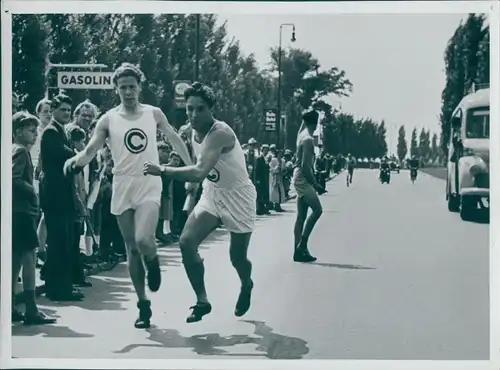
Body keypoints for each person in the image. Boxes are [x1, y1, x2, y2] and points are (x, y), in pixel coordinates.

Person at [63, 63, 192, 329]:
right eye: (123, 87)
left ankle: (153, 261)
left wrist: (191, 166)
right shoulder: (109, 119)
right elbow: (91, 148)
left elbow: (174, 138)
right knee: (131, 247)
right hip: (122, 185)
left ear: (139, 87)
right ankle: (143, 304)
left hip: (148, 182)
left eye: (132, 87)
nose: (128, 92)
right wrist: (76, 160)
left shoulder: (153, 113)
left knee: (145, 238)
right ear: (116, 89)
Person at [143, 82, 257, 323]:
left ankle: (246, 284)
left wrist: (164, 169)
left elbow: (198, 172)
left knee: (237, 258)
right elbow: (180, 141)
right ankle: (202, 301)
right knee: (186, 242)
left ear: (211, 109)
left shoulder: (220, 133)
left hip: (239, 197)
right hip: (213, 193)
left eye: (200, 109)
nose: (194, 115)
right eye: (190, 109)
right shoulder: (190, 129)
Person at [12, 111, 56, 325]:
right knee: (29, 258)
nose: (35, 135)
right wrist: (33, 190)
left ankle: (10, 306)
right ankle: (31, 308)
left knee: (14, 260)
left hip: (16, 212)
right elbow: (13, 179)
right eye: (31, 131)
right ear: (18, 131)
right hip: (21, 213)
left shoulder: (14, 149)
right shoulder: (21, 151)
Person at [39, 94, 84, 301]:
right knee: (58, 242)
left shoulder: (61, 131)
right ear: (54, 110)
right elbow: (65, 155)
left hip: (62, 194)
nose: (66, 113)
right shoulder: (50, 132)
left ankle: (61, 285)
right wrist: (78, 153)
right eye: (62, 109)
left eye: (68, 110)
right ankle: (58, 289)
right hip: (55, 195)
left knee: (63, 241)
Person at [292, 110, 325, 263]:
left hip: (298, 175)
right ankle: (302, 245)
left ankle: (297, 251)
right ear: (316, 123)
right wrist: (316, 184)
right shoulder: (308, 140)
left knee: (301, 217)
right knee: (318, 210)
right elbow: (306, 166)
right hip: (303, 177)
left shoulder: (301, 135)